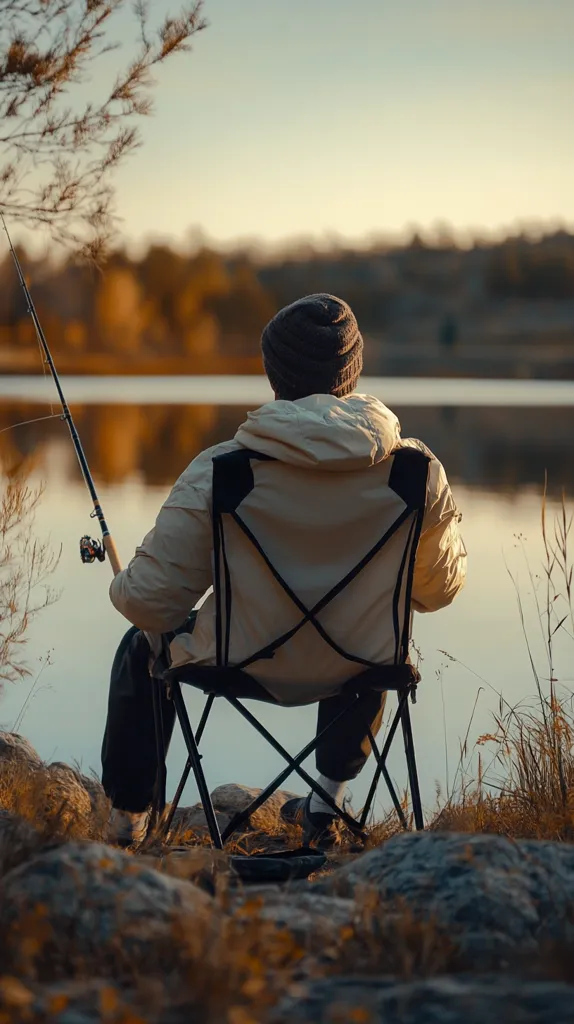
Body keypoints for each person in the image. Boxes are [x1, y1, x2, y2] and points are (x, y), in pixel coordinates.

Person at [102, 294, 466, 845]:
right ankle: (327, 803)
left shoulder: (222, 470)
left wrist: (122, 580)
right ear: (354, 370)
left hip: (237, 661)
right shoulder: (415, 473)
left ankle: (129, 822)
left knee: (140, 644)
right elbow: (438, 594)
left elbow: (148, 604)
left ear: (273, 374)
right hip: (359, 668)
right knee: (374, 627)